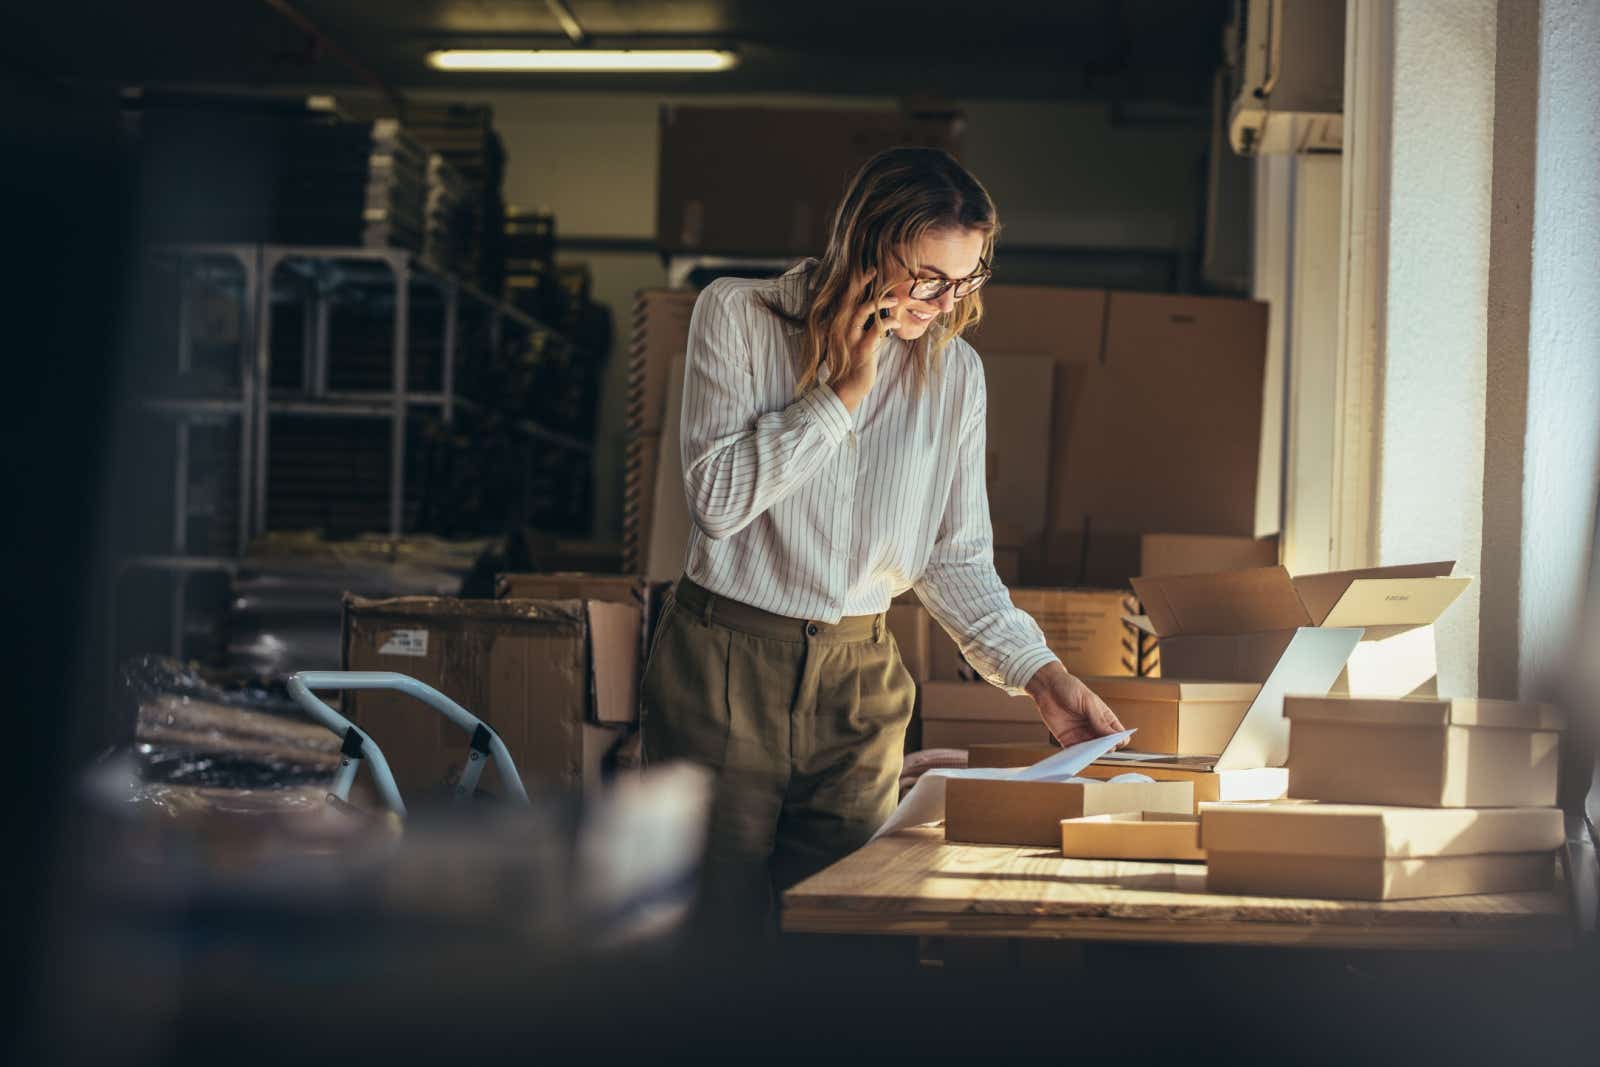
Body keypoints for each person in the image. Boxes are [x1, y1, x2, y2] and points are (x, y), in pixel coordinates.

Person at [641, 146, 1126, 938]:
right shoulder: (737, 314)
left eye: (965, 280)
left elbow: (954, 557)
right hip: (723, 664)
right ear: (867, 243)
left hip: (861, 682)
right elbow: (718, 502)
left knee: (845, 936)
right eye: (928, 277)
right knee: (708, 936)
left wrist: (1043, 676)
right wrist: (843, 395)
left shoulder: (955, 374)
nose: (943, 301)